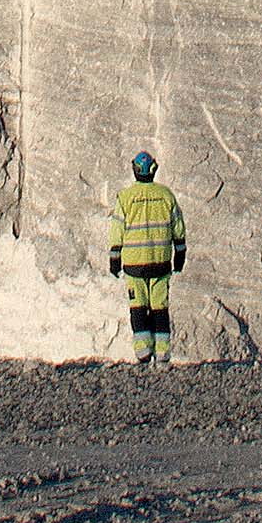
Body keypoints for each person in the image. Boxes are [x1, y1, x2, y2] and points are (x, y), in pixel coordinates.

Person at [108, 149, 186, 365]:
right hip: (161, 262)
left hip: (134, 265)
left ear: (134, 171)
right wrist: (179, 257)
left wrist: (114, 259)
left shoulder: (125, 198)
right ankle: (163, 354)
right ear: (154, 170)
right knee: (160, 308)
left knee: (138, 307)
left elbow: (116, 231)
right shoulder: (166, 196)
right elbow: (178, 229)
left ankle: (143, 352)